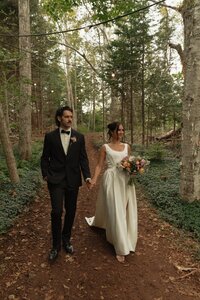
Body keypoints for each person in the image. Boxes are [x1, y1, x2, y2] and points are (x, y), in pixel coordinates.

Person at [41, 106, 91, 261]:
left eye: (71, 116)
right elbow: (45, 158)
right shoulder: (50, 137)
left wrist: (87, 176)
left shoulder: (79, 137)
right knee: (56, 211)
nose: (70, 119)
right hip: (55, 179)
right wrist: (46, 175)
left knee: (71, 210)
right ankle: (55, 246)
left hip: (73, 179)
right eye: (67, 116)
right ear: (59, 118)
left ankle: (66, 239)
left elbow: (83, 158)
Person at [86, 122, 137, 263]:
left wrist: (133, 170)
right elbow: (99, 165)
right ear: (112, 132)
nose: (121, 132)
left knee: (125, 209)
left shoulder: (127, 147)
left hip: (125, 181)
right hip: (111, 180)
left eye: (122, 130)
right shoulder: (105, 147)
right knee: (116, 210)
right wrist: (94, 180)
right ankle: (120, 247)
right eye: (118, 130)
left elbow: (129, 163)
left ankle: (126, 236)